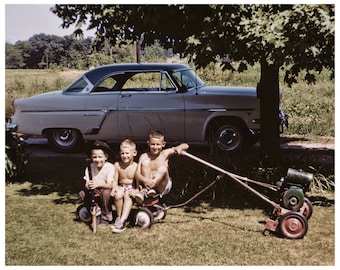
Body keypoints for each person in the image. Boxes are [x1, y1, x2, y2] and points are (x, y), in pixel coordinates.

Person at [134, 130, 189, 204]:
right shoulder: (144, 156)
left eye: (158, 144)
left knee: (163, 169)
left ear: (163, 144)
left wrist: (179, 148)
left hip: (163, 185)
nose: (155, 147)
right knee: (145, 162)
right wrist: (145, 181)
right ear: (148, 144)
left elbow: (186, 145)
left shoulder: (165, 154)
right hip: (148, 183)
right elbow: (137, 174)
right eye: (153, 144)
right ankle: (148, 190)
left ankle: (146, 190)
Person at [80, 140, 115, 228]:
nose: (97, 159)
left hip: (106, 190)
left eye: (100, 157)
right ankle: (95, 213)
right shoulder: (89, 167)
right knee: (83, 193)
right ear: (91, 157)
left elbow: (110, 185)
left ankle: (106, 216)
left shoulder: (110, 167)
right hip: (94, 190)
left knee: (105, 193)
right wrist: (88, 185)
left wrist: (99, 184)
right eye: (94, 157)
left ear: (106, 157)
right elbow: (87, 182)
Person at [111, 139, 138, 233]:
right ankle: (119, 217)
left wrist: (137, 190)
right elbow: (115, 180)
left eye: (127, 153)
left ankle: (123, 220)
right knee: (118, 195)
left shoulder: (136, 166)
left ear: (134, 153)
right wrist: (114, 187)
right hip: (121, 186)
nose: (124, 156)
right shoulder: (117, 165)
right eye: (122, 153)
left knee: (128, 195)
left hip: (132, 187)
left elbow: (138, 183)